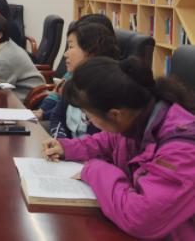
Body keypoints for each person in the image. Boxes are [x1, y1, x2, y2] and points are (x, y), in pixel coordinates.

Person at [42, 56, 195, 240]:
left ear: (115, 114)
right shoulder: (138, 117)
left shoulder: (183, 150)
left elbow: (141, 218)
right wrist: (67, 147)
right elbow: (110, 140)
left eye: (87, 116)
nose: (88, 121)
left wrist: (94, 169)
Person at [34, 14, 118, 122]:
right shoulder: (73, 74)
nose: (65, 54)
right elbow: (58, 103)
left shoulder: (106, 81)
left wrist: (44, 115)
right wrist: (42, 111)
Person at [0, 15, 44, 99]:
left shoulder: (4, 58)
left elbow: (2, 88)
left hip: (28, 95)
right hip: (18, 89)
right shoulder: (6, 44)